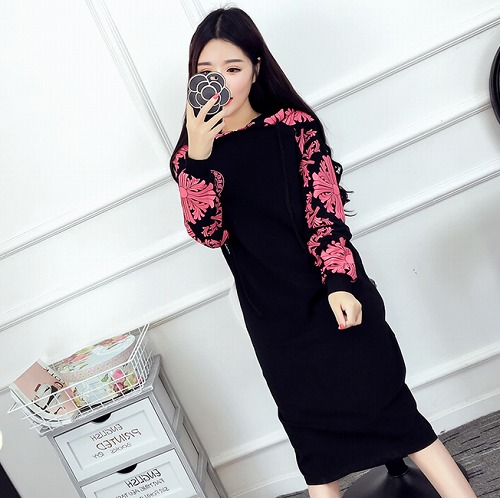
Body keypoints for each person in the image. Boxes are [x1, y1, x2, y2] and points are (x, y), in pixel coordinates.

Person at [170, 7, 477, 498]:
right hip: (274, 318)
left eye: (233, 68)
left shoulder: (295, 128)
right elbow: (208, 232)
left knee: (397, 415)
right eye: (207, 72)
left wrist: (339, 283)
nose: (221, 83)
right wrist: (201, 156)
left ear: (256, 68)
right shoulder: (190, 158)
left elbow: (325, 213)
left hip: (333, 292)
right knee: (313, 448)